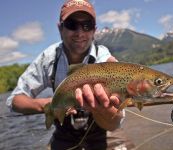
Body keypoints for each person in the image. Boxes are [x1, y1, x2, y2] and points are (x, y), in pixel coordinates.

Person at [6, 0, 135, 149]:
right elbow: (14, 100)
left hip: (103, 130)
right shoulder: (48, 59)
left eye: (87, 25)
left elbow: (114, 124)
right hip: (64, 134)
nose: (80, 33)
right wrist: (47, 105)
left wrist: (102, 106)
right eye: (72, 25)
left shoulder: (103, 57)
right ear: (60, 29)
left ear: (94, 30)